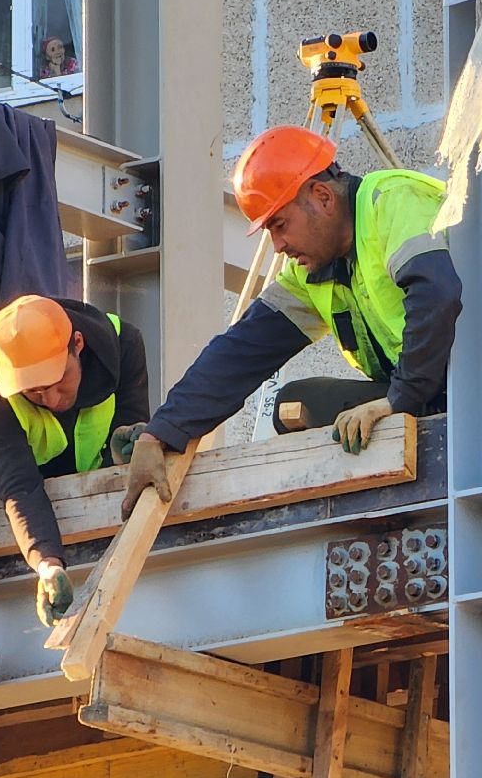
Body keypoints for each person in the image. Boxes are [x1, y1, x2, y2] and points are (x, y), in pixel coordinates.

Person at [118, 125, 461, 517]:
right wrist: (159, 433)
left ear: (322, 196)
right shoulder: (310, 275)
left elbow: (438, 295)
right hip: (425, 398)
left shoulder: (393, 201)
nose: (278, 246)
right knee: (292, 403)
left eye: (280, 225)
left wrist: (399, 401)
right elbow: (238, 356)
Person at [0, 294, 149, 689]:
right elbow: (17, 485)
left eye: (57, 383)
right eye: (34, 393)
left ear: (78, 346)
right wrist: (47, 563)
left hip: (64, 471)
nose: (51, 401)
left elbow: (133, 424)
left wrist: (128, 446)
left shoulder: (123, 344)